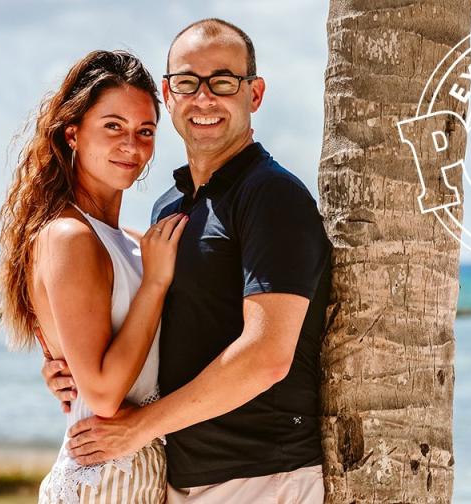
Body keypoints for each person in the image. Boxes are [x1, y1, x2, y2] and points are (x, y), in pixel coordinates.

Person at [43, 19, 332, 503]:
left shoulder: (271, 195)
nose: (204, 98)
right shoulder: (169, 210)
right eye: (187, 82)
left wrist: (137, 429)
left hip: (264, 475)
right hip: (180, 476)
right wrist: (69, 364)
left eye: (223, 82)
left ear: (254, 93)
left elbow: (266, 358)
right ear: (168, 94)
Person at [0, 49, 187, 503]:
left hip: (138, 474)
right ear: (72, 132)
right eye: (113, 126)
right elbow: (103, 395)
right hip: (101, 480)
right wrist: (155, 284)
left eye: (145, 131)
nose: (131, 145)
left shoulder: (130, 241)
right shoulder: (69, 236)